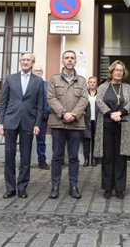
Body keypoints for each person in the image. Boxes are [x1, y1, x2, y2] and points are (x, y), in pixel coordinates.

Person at [0, 52, 45, 198]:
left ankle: (22, 186)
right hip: (10, 121)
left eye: (28, 60)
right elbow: (3, 102)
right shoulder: (10, 79)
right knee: (9, 155)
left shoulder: (38, 81)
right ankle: (10, 187)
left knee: (25, 157)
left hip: (29, 122)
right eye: (23, 60)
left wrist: (37, 123)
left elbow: (40, 105)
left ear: (33, 62)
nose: (25, 62)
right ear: (20, 62)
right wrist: (1, 122)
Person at [47, 50, 88, 200]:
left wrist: (73, 115)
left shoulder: (82, 81)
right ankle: (55, 186)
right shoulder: (54, 79)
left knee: (73, 158)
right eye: (67, 58)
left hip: (75, 125)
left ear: (75, 61)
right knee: (57, 157)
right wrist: (63, 113)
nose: (69, 60)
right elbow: (50, 98)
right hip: (58, 124)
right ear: (62, 61)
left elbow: (84, 100)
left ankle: (73, 186)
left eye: (72, 58)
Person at [94, 61, 130, 199]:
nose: (118, 72)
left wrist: (120, 113)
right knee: (107, 157)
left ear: (124, 73)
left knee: (121, 157)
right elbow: (99, 101)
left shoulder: (127, 87)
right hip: (106, 124)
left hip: (122, 124)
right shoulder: (103, 87)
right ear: (111, 72)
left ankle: (119, 188)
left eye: (121, 70)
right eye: (116, 70)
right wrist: (110, 113)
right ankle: (107, 188)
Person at [33, 65, 51, 170]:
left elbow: (50, 100)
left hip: (42, 119)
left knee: (41, 141)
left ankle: (42, 161)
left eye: (40, 70)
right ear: (33, 72)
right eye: (36, 70)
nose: (38, 72)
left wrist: (46, 113)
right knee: (26, 141)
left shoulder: (47, 85)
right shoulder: (29, 84)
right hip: (29, 118)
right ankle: (24, 161)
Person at [82, 76, 99, 167]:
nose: (92, 84)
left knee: (96, 140)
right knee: (86, 140)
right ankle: (86, 159)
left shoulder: (100, 94)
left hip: (97, 120)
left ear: (96, 84)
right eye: (90, 82)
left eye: (94, 82)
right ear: (88, 84)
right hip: (86, 120)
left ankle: (94, 159)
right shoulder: (85, 94)